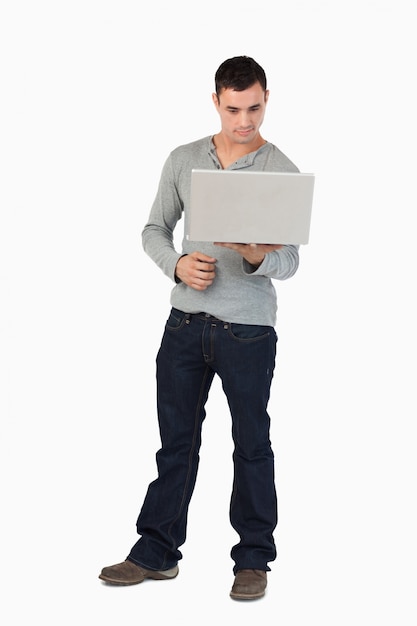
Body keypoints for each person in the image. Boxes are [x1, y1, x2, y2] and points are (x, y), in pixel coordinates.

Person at [99, 55, 301, 600]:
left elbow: (291, 261)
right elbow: (153, 229)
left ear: (266, 99)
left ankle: (253, 559)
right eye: (234, 108)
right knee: (176, 444)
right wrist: (177, 265)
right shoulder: (184, 159)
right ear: (216, 101)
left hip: (248, 332)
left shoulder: (279, 169)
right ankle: (157, 551)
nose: (245, 121)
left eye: (254, 108)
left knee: (251, 443)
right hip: (185, 323)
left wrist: (259, 256)